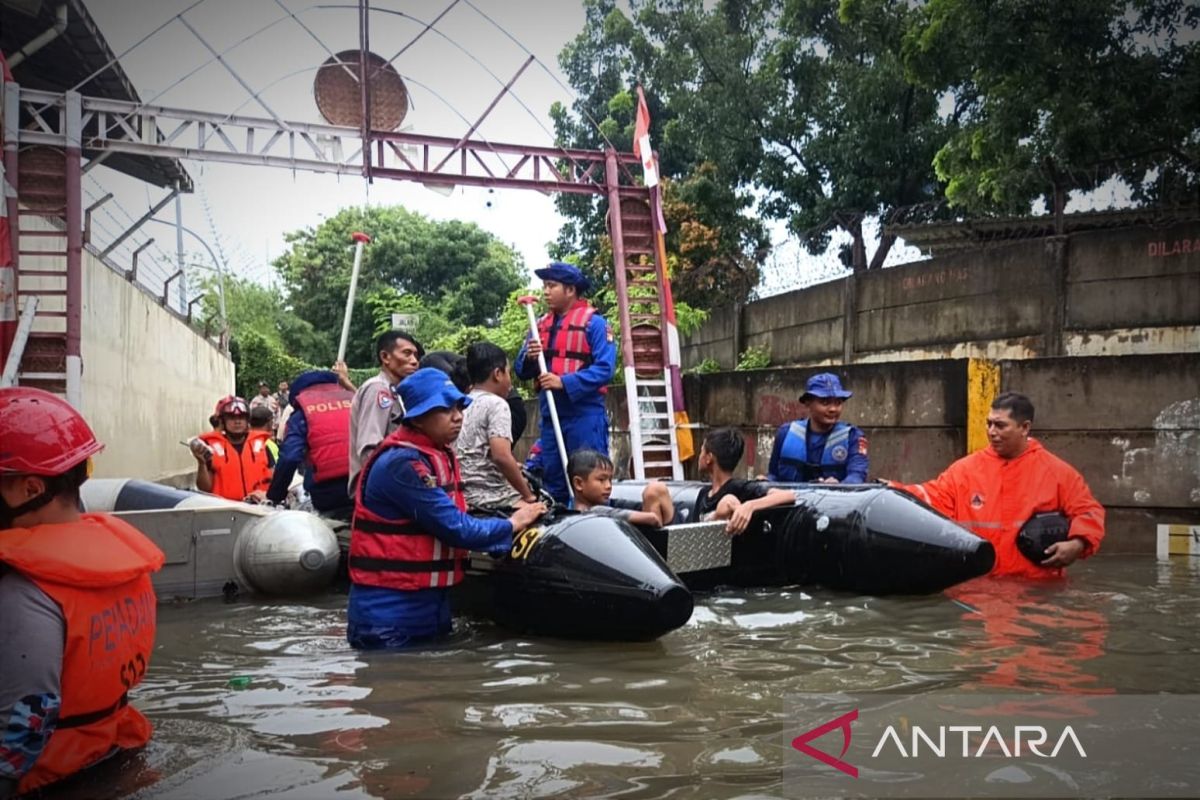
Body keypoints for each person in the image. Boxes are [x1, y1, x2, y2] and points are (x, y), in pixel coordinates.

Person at [0, 387, 165, 796]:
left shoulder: (26, 589)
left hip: (47, 780)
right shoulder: (121, 566)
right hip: (114, 754)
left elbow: (26, 719)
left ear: (30, 489)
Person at [346, 368, 546, 649]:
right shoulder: (401, 464)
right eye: (444, 409)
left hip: (429, 606)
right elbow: (458, 528)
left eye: (458, 406)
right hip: (388, 613)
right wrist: (514, 522)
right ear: (417, 417)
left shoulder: (438, 453)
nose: (457, 416)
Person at [887, 391, 1105, 579]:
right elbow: (932, 496)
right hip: (978, 587)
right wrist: (892, 491)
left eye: (1000, 425)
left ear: (1025, 427)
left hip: (1036, 589)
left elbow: (1088, 511)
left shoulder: (1058, 473)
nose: (991, 431)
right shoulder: (965, 469)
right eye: (989, 423)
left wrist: (1077, 544)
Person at [516, 262, 617, 505]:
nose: (546, 292)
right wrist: (529, 357)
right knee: (554, 481)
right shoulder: (538, 325)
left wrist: (564, 382)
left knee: (591, 480)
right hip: (551, 416)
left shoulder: (596, 324)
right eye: (544, 286)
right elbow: (520, 370)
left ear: (570, 290)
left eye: (552, 286)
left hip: (584, 415)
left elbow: (605, 369)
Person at [457, 342, 538, 511]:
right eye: (508, 373)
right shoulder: (497, 404)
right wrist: (529, 496)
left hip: (461, 494)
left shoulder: (462, 404)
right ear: (497, 374)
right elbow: (501, 456)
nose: (510, 381)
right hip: (491, 495)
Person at [265, 369, 355, 519]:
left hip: (329, 491)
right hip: (367, 484)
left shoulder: (301, 413)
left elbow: (289, 458)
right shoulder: (354, 400)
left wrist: (275, 495)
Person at [348, 330, 423, 493]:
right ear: (385, 357)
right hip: (381, 491)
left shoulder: (395, 391)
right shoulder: (379, 390)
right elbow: (369, 449)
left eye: (415, 355)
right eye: (407, 354)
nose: (414, 361)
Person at [767, 373, 869, 484]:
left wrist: (840, 486)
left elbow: (857, 476)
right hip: (790, 499)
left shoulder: (853, 436)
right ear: (808, 403)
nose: (833, 409)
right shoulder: (785, 433)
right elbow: (773, 475)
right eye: (825, 402)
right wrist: (764, 482)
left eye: (838, 403)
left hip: (835, 499)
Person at [699, 427, 796, 534]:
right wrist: (717, 515)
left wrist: (750, 506)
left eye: (701, 451)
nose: (700, 456)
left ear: (709, 458)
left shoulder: (740, 489)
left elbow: (788, 495)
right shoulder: (703, 494)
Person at [190, 396, 274, 502]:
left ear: (247, 420)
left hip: (260, 508)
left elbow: (275, 479)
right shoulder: (210, 449)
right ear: (222, 421)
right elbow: (204, 488)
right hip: (226, 511)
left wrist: (266, 494)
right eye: (231, 417)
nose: (237, 421)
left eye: (241, 417)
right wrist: (201, 463)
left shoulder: (262, 446)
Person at [568, 449, 674, 527]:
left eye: (610, 480)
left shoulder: (571, 514)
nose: (608, 486)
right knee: (655, 490)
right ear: (579, 484)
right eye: (601, 480)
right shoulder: (595, 512)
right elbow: (653, 519)